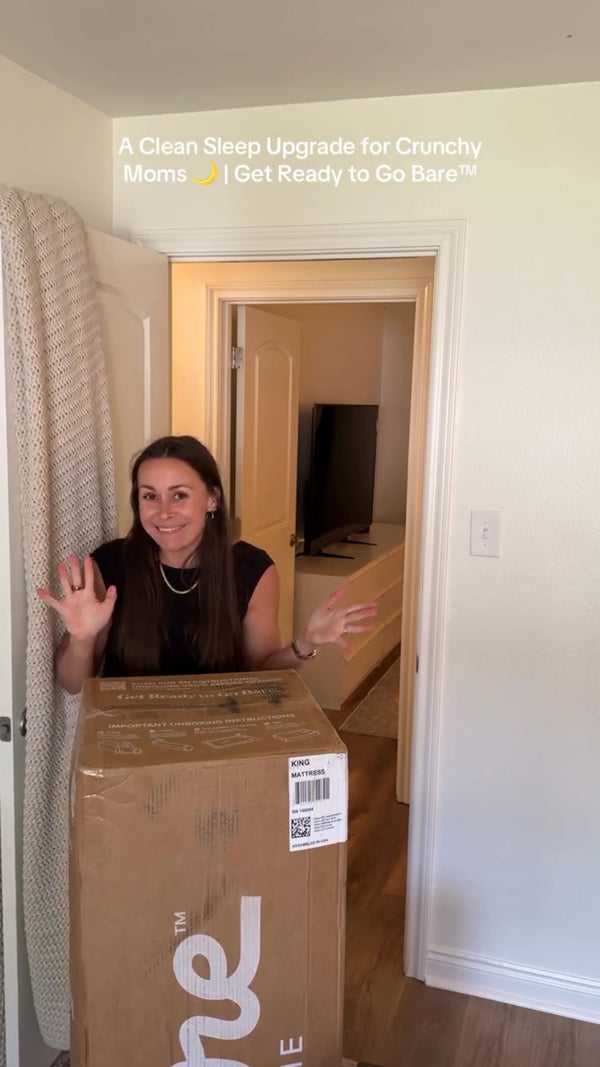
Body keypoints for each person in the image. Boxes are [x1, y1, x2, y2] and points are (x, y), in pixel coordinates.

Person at [38, 435, 377, 694]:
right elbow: (73, 685)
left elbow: (262, 673)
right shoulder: (110, 564)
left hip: (221, 739)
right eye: (150, 496)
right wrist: (81, 638)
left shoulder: (252, 569)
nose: (164, 511)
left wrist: (305, 644)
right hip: (133, 744)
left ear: (211, 498)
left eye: (180, 495)